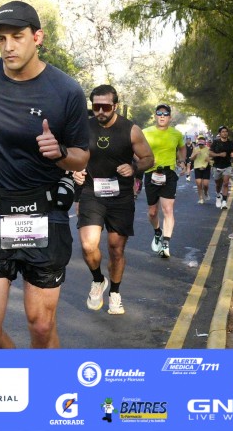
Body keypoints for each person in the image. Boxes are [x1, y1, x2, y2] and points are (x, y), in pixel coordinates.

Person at [0, 0, 90, 348]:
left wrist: (60, 154)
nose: (8, 46)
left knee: (41, 326)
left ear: (37, 37)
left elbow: (81, 157)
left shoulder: (66, 90)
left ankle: (44, 382)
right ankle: (24, 377)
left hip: (44, 213)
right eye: (1, 38)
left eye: (17, 37)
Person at [73, 84, 154, 315]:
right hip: (92, 193)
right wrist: (75, 170)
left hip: (121, 196)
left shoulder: (131, 130)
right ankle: (98, 280)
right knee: (88, 245)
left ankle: (115, 293)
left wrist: (134, 167)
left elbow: (149, 158)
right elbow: (73, 156)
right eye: (96, 106)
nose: (100, 111)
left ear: (115, 106)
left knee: (116, 249)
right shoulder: (83, 128)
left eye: (105, 107)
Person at [142, 103, 186, 258]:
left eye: (165, 114)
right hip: (151, 173)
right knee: (152, 212)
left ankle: (166, 243)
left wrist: (182, 161)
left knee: (168, 209)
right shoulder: (145, 132)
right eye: (159, 113)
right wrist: (143, 160)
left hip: (169, 173)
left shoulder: (176, 134)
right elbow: (135, 148)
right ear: (155, 116)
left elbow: (182, 147)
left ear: (170, 117)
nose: (162, 116)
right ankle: (157, 232)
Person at [210, 126, 233, 210]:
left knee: (225, 183)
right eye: (223, 132)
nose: (225, 133)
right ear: (220, 133)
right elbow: (210, 153)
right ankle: (218, 195)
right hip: (217, 166)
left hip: (227, 166)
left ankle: (224, 202)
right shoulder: (215, 142)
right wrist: (219, 155)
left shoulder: (230, 143)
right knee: (218, 184)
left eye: (226, 131)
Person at [190, 135, 212, 204]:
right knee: (199, 184)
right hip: (197, 167)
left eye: (202, 144)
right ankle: (201, 198)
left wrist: (209, 160)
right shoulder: (195, 149)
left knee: (205, 184)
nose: (200, 145)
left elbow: (212, 160)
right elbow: (191, 158)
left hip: (206, 167)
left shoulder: (208, 149)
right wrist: (195, 154)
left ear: (204, 143)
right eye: (199, 144)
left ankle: (205, 192)